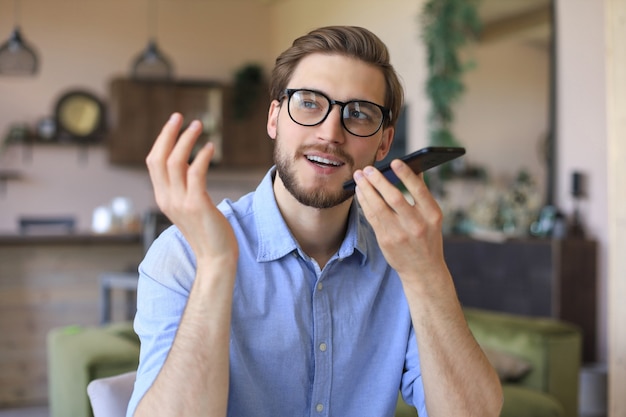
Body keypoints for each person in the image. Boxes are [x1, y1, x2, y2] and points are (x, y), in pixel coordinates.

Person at [127, 25, 502, 417]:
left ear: (385, 143)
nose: (329, 133)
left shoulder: (404, 259)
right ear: (275, 118)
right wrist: (217, 266)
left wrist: (429, 275)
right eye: (309, 103)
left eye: (358, 114)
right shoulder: (184, 253)